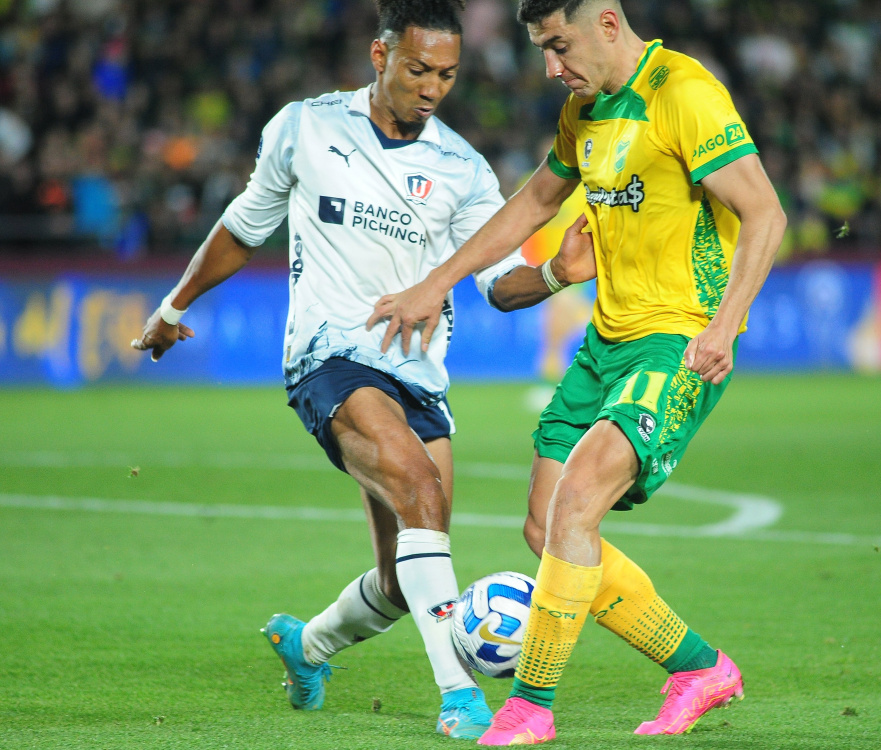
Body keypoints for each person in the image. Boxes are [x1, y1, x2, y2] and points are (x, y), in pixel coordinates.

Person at [129, 0, 595, 740]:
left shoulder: (461, 169)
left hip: (418, 378)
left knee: (404, 579)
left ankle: (306, 646)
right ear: (381, 57)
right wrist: (173, 304)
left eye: (447, 74)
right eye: (419, 69)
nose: (433, 88)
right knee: (418, 490)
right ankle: (460, 698)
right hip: (330, 357)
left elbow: (499, 285)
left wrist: (555, 275)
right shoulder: (306, 127)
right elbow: (243, 228)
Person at [367, 0, 787, 744]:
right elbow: (534, 202)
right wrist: (438, 283)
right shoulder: (582, 112)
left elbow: (766, 214)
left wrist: (725, 325)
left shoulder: (682, 93)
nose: (551, 67)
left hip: (678, 342)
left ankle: (529, 707)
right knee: (544, 525)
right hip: (604, 345)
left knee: (577, 502)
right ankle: (700, 669)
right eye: (542, 49)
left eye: (559, 46)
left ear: (608, 24)